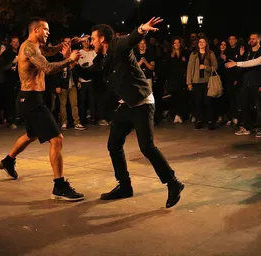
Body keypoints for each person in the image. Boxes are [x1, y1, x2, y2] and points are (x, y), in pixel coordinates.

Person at [76, 17, 184, 208]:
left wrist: (143, 29)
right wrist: (71, 61)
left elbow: (130, 39)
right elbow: (89, 73)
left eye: (93, 38)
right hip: (126, 105)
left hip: (142, 102)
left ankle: (173, 182)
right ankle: (125, 186)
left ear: (102, 38)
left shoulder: (118, 45)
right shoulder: (103, 58)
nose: (90, 42)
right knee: (114, 144)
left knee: (146, 147)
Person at [0, 18, 85, 201]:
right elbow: (47, 67)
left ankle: (8, 161)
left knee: (31, 135)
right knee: (57, 139)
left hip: (32, 99)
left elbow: (52, 51)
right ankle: (59, 186)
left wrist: (70, 42)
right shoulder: (29, 47)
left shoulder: (38, 46)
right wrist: (69, 60)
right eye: (46, 30)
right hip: (30, 101)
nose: (48, 33)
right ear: (36, 30)